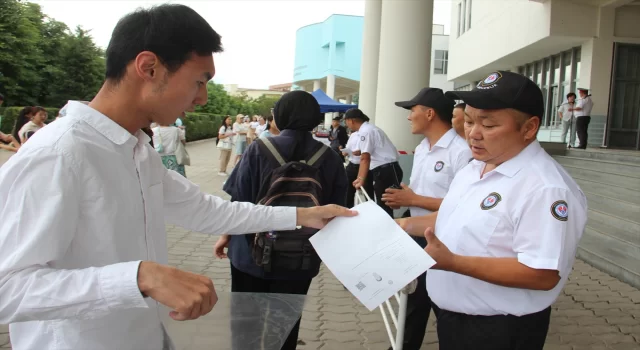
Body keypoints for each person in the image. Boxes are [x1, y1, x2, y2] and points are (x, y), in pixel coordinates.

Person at [0, 5, 355, 350]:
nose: (201, 98)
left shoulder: (135, 150)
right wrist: (139, 277)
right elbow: (8, 288)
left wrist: (301, 215)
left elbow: (207, 210)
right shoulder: (59, 154)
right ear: (149, 67)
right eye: (199, 81)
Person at [397, 71, 587, 350]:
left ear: (529, 128)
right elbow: (457, 217)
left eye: (488, 125)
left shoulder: (545, 188)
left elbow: (542, 274)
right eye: (470, 121)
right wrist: (402, 227)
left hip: (499, 330)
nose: (472, 133)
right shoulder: (476, 167)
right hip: (456, 322)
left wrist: (453, 262)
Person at [215, 90, 348, 350]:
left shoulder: (258, 149)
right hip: (300, 259)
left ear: (280, 116)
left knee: (246, 326)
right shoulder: (330, 157)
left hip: (249, 253)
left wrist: (225, 235)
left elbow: (239, 201)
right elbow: (336, 211)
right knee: (285, 327)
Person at [382, 87, 472, 350]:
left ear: (430, 113)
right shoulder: (422, 148)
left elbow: (466, 205)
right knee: (413, 301)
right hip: (417, 235)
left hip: (446, 240)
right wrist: (409, 198)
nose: (409, 117)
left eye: (413, 111)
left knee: (446, 308)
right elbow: (422, 194)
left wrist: (413, 200)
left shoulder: (461, 152)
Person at [345, 108, 402, 217]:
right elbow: (367, 153)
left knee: (385, 206)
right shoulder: (368, 129)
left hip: (386, 170)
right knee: (383, 204)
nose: (347, 124)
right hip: (383, 170)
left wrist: (360, 179)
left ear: (351, 120)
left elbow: (365, 158)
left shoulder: (366, 131)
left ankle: (386, 231)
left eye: (346, 121)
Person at [343, 129, 374, 208]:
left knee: (368, 192)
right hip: (352, 165)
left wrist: (361, 152)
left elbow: (370, 150)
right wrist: (345, 152)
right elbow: (347, 148)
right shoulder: (353, 135)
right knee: (348, 191)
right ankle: (349, 210)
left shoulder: (368, 133)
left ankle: (371, 211)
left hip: (365, 166)